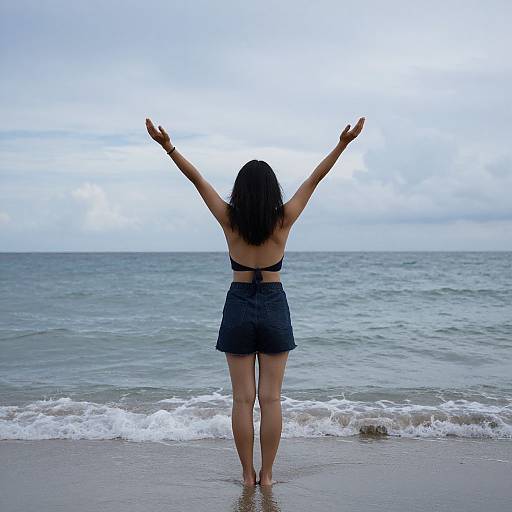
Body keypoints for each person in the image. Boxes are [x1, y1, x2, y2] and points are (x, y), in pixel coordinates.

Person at [145, 115, 365, 486]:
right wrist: (343, 144)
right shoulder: (284, 219)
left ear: (241, 191)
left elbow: (198, 180)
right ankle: (267, 476)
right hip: (275, 302)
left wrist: (168, 147)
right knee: (272, 400)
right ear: (272, 191)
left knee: (242, 400)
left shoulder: (230, 220)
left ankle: (246, 475)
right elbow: (315, 179)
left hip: (239, 303)